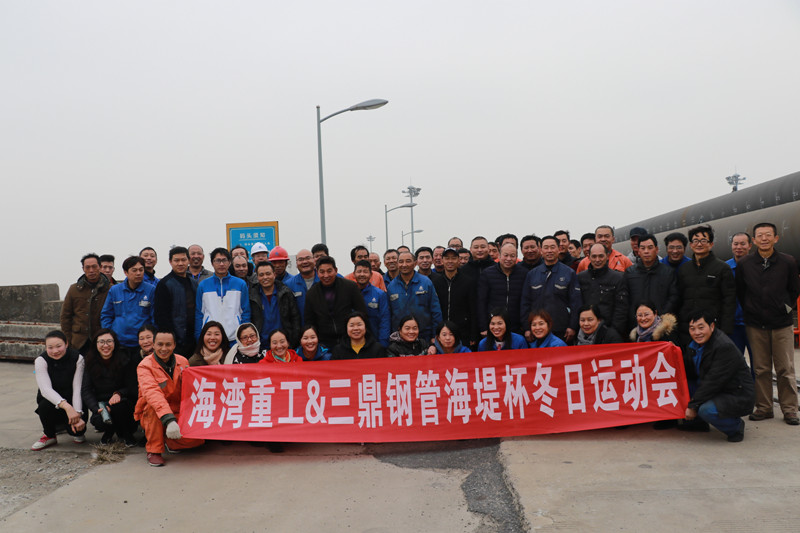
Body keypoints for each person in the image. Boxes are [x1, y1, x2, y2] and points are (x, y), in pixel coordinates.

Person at [736, 222, 800, 424]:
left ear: (776, 238)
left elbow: (794, 290)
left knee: (785, 369)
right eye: (760, 236)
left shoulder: (788, 262)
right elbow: (741, 292)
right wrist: (751, 310)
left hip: (781, 324)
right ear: (754, 241)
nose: (764, 239)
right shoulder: (745, 264)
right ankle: (764, 407)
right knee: (761, 368)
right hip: (755, 324)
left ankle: (790, 409)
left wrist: (785, 310)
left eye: (768, 235)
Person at [681, 310, 755, 442]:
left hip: (736, 393)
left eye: (701, 327)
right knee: (682, 385)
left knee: (705, 410)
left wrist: (692, 406)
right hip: (716, 388)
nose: (697, 332)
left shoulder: (723, 346)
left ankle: (735, 427)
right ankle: (699, 423)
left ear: (712, 326)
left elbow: (713, 381)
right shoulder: (693, 345)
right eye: (692, 328)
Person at [135, 330, 204, 467]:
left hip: (177, 409)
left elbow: (189, 389)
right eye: (160, 344)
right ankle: (154, 450)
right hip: (153, 412)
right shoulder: (144, 366)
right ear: (153, 345)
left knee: (198, 440)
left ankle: (169, 441)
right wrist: (169, 419)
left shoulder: (183, 361)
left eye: (168, 344)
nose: (164, 348)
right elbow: (152, 393)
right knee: (152, 407)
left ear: (174, 345)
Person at [677, 225, 736, 342]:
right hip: (688, 327)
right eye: (695, 241)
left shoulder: (722, 268)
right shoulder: (684, 269)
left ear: (711, 244)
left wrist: (725, 330)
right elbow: (679, 298)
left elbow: (729, 301)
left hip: (712, 328)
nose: (699, 244)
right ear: (691, 244)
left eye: (704, 240)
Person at [31, 330, 87, 451]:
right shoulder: (41, 360)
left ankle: (69, 426)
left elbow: (77, 388)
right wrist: (67, 407)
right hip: (53, 402)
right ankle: (49, 435)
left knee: (77, 433)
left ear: (66, 344)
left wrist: (77, 413)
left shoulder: (78, 358)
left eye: (58, 346)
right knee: (44, 404)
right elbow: (45, 390)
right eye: (50, 347)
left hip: (73, 400)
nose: (55, 351)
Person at [81, 329, 137, 445]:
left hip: (122, 401)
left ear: (115, 343)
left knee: (119, 408)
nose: (105, 345)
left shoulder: (124, 359)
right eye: (101, 342)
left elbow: (131, 385)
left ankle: (126, 434)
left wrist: (119, 393)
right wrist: (96, 408)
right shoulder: (89, 361)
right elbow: (86, 390)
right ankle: (109, 432)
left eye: (109, 341)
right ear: (96, 344)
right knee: (100, 422)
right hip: (101, 403)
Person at [520, 236, 581, 343]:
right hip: (537, 330)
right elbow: (525, 302)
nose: (549, 251)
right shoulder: (532, 274)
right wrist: (526, 328)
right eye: (546, 247)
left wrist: (572, 326)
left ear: (558, 249)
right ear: (541, 250)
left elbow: (576, 303)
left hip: (562, 330)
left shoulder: (569, 273)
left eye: (552, 247)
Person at [304, 256, 368, 348]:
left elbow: (362, 313)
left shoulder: (350, 287)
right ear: (317, 272)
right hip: (324, 343)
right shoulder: (311, 293)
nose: (326, 275)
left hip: (349, 340)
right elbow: (309, 321)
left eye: (329, 271)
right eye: (322, 272)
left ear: (336, 270)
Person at [100, 256, 156, 353]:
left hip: (142, 344)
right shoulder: (115, 290)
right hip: (119, 342)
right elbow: (106, 315)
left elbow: (154, 317)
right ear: (126, 272)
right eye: (134, 270)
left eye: (141, 270)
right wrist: (110, 335)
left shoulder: (151, 290)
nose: (138, 273)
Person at [195, 247, 251, 343]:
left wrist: (243, 335)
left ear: (229, 262)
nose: (221, 264)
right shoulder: (203, 285)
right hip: (211, 339)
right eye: (218, 261)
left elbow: (245, 312)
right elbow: (199, 313)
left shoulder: (240, 284)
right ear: (212, 263)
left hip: (235, 338)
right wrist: (198, 336)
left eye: (224, 260)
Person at [624, 234, 679, 330]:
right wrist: (634, 316)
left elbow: (673, 298)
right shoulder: (630, 273)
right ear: (639, 251)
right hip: (636, 326)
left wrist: (660, 317)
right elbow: (625, 299)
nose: (646, 251)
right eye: (643, 248)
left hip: (661, 326)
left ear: (656, 250)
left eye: (650, 248)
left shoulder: (668, 272)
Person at [386, 251, 443, 343]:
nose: (404, 265)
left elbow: (435, 311)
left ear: (415, 263)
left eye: (408, 261)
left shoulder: (426, 282)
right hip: (400, 339)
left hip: (424, 336)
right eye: (401, 261)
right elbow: (388, 315)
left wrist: (435, 335)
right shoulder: (391, 286)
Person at [61, 253, 111, 351]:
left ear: (100, 267)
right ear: (83, 269)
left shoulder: (110, 289)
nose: (91, 270)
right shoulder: (74, 289)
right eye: (87, 267)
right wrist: (68, 340)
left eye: (94, 267)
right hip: (78, 342)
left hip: (102, 340)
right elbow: (65, 317)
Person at [153, 246, 197, 357]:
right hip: (176, 340)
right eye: (176, 260)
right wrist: (171, 338)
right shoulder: (164, 284)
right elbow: (161, 315)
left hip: (193, 338)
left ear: (188, 260)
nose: (180, 263)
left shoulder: (193, 282)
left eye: (183, 260)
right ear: (170, 262)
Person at [577, 243, 629, 336]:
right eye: (594, 256)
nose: (597, 260)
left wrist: (613, 332)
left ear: (607, 256)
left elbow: (621, 308)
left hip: (610, 331)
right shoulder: (580, 278)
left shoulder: (617, 278)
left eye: (601, 256)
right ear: (588, 257)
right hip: (585, 332)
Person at [478, 243, 528, 336]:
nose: (508, 259)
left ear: (516, 257)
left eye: (512, 256)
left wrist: (526, 327)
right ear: (499, 256)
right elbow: (481, 302)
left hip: (517, 326)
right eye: (505, 255)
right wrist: (483, 327)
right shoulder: (488, 273)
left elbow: (526, 301)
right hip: (494, 326)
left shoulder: (524, 273)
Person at [432, 247, 478, 348]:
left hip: (463, 333)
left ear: (458, 260)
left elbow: (473, 309)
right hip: (441, 333)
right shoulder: (435, 282)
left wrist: (473, 334)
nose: (450, 261)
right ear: (442, 260)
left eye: (453, 258)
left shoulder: (468, 282)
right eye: (447, 258)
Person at [250, 261, 301, 346]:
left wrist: (293, 340)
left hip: (284, 344)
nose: (265, 277)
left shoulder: (286, 293)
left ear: (274, 274)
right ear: (257, 277)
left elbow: (295, 318)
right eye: (261, 275)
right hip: (261, 344)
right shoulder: (252, 296)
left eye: (268, 274)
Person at [726, 232, 752, 362]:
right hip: (733, 325)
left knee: (759, 363)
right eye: (736, 244)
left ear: (750, 246)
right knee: (734, 362)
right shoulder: (725, 268)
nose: (739, 247)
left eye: (743, 244)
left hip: (754, 324)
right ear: (731, 245)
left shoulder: (757, 266)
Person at [352, 260, 391, 346]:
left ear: (371, 274)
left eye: (365, 272)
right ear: (354, 274)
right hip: (353, 343)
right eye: (359, 271)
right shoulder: (349, 293)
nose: (362, 274)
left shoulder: (380, 294)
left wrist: (383, 344)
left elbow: (384, 321)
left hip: (374, 342)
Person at [284, 248, 319, 320]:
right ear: (296, 264)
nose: (305, 262)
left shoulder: (324, 280)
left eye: (308, 258)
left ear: (314, 261)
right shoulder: (289, 285)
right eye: (300, 259)